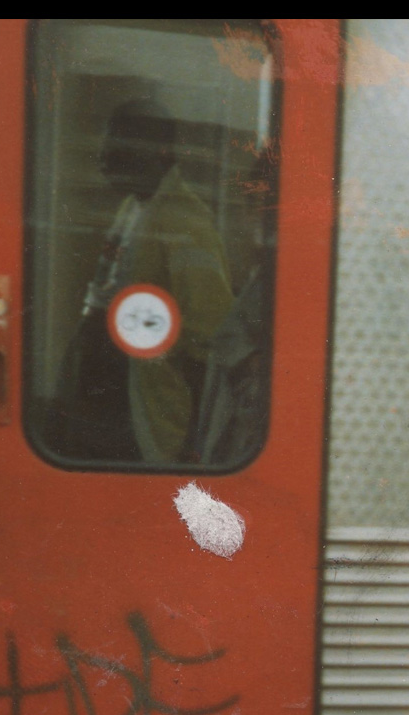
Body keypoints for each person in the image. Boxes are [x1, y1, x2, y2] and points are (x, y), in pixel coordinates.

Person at [54, 98, 234, 464]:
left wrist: (193, 441)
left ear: (159, 151)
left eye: (118, 148)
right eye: (106, 147)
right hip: (108, 397)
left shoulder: (185, 221)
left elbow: (210, 336)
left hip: (143, 413)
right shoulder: (135, 207)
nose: (104, 159)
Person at [191, 142, 278, 467]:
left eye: (263, 203)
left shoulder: (281, 285)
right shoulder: (261, 277)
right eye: (250, 202)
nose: (250, 214)